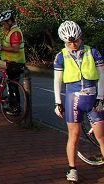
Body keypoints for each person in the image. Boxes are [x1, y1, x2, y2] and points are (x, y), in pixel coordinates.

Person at [53, 20, 104, 183]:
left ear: (81, 37)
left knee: (101, 136)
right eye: (69, 42)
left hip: (93, 98)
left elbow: (102, 77)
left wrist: (101, 97)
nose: (73, 44)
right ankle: (72, 169)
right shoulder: (61, 56)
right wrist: (58, 102)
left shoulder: (93, 52)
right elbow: (57, 80)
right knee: (73, 135)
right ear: (64, 41)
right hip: (73, 99)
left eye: (76, 40)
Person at [0, 9, 25, 115]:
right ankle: (10, 104)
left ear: (9, 21)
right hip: (9, 62)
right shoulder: (10, 31)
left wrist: (1, 48)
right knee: (7, 83)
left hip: (15, 62)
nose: (3, 25)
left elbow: (15, 49)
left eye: (4, 23)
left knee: (13, 86)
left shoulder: (15, 32)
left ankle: (15, 109)